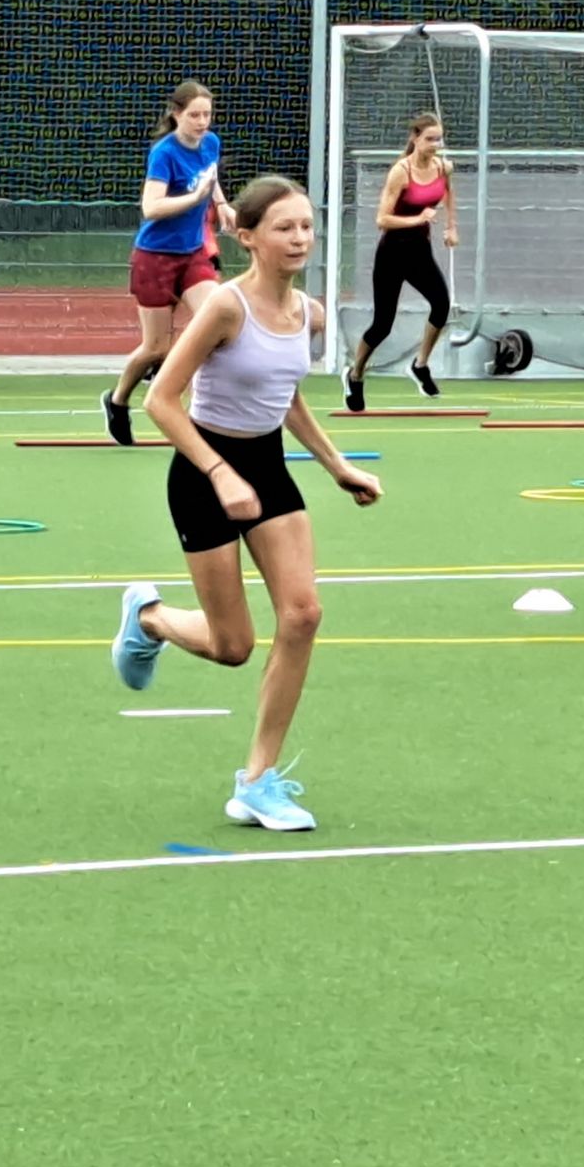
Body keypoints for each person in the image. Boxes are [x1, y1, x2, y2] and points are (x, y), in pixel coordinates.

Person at [111, 175, 381, 831]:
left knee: (303, 614)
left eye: (307, 226)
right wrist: (220, 474)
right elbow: (161, 401)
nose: (300, 238)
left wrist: (337, 465)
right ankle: (149, 618)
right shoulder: (225, 308)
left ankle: (257, 781)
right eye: (284, 228)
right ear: (247, 237)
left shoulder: (309, 314)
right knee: (233, 645)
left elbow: (285, 395)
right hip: (203, 471)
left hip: (267, 468)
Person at [100, 79, 234, 444]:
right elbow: (152, 207)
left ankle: (205, 415)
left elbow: (210, 178)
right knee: (156, 347)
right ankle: (118, 400)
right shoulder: (164, 152)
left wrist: (221, 204)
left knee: (216, 323)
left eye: (207, 114)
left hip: (193, 255)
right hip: (155, 257)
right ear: (177, 114)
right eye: (194, 115)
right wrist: (194, 199)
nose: (202, 122)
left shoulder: (211, 143)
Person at [343, 111, 456, 411]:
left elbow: (449, 195)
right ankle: (355, 374)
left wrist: (451, 227)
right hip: (392, 253)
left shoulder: (443, 168)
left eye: (439, 139)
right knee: (382, 325)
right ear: (415, 138)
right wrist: (418, 218)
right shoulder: (400, 172)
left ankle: (421, 365)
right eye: (430, 139)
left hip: (420, 252)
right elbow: (382, 219)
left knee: (442, 305)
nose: (436, 145)